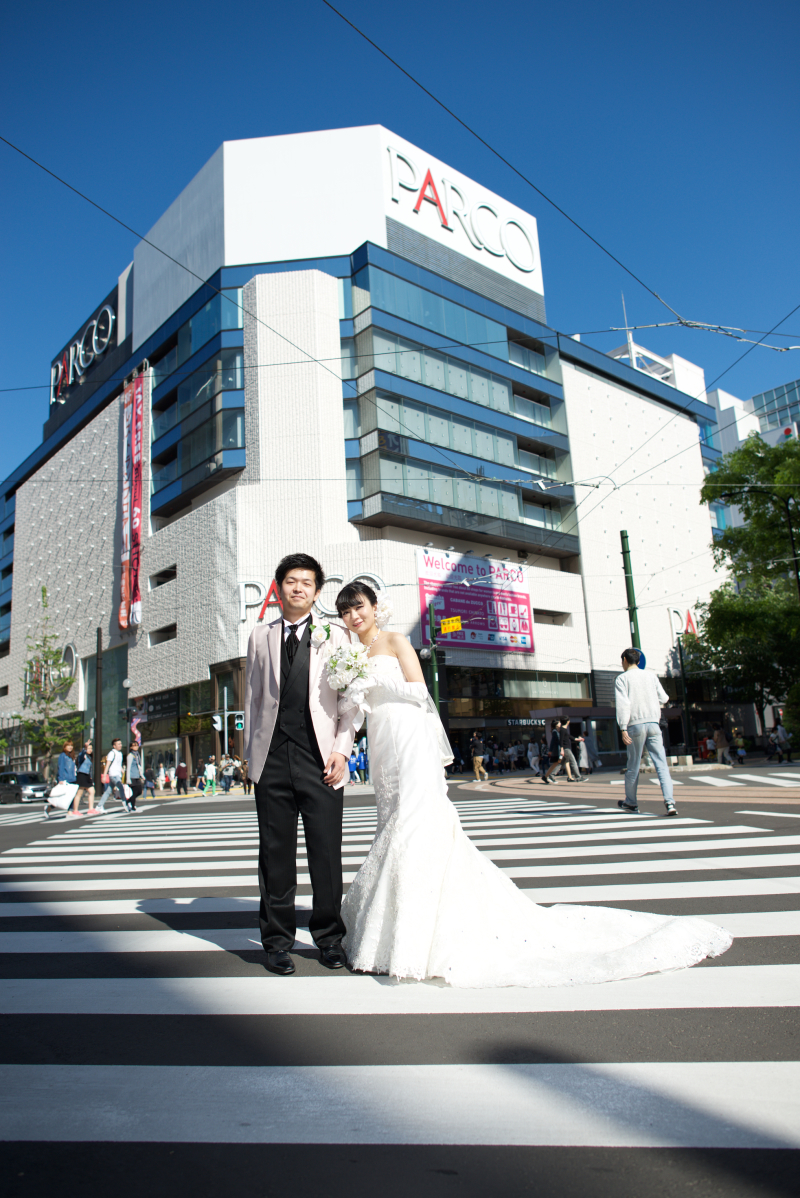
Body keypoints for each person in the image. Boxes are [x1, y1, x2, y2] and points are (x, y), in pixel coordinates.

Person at [336, 584, 731, 987]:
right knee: (391, 819)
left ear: (374, 607)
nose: (355, 616)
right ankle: (393, 927)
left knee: (416, 821)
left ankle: (415, 936)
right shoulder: (351, 654)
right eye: (346, 611)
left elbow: (419, 691)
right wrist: (354, 691)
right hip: (382, 740)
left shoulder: (395, 639)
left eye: (359, 606)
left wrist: (374, 684)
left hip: (409, 735)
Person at [243, 553, 359, 977]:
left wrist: (342, 750)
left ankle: (329, 938)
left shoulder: (336, 634)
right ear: (278, 587)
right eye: (290, 581)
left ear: (316, 590)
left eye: (306, 582)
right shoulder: (259, 635)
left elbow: (350, 702)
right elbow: (253, 699)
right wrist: (249, 755)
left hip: (321, 757)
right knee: (275, 854)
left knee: (326, 853)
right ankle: (276, 941)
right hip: (271, 757)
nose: (298, 588)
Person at [615, 649, 675, 816]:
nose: (622, 664)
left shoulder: (622, 679)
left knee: (633, 765)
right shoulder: (651, 676)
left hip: (635, 725)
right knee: (662, 765)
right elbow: (664, 698)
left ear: (626, 660)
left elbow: (623, 705)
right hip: (654, 724)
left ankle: (631, 803)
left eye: (622, 661)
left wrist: (622, 727)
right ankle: (670, 803)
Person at [74, 740, 97, 814]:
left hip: (87, 776)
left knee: (92, 791)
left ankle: (91, 809)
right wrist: (85, 747)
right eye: (88, 748)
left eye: (91, 748)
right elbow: (81, 754)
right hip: (81, 775)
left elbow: (90, 769)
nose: (90, 750)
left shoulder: (90, 757)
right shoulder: (82, 756)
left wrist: (90, 777)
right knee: (79, 793)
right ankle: (75, 810)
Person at [126, 744, 143, 811]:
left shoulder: (137, 755)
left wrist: (141, 775)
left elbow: (139, 766)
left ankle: (128, 801)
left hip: (137, 776)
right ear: (131, 747)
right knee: (135, 791)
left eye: (137, 745)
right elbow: (128, 767)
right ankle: (133, 807)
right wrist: (128, 779)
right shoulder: (130, 756)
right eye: (134, 745)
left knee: (139, 791)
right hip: (132, 776)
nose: (136, 747)